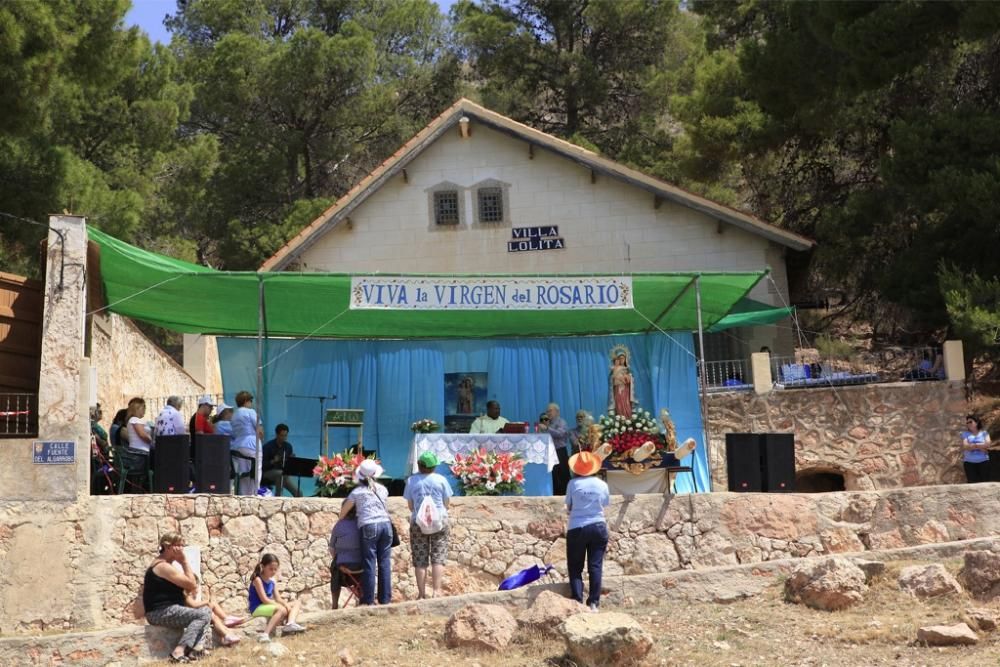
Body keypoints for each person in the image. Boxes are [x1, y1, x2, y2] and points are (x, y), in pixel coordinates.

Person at [143, 532, 213, 662]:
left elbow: (189, 586)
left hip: (170, 610)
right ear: (168, 547)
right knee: (202, 615)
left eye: (182, 545)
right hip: (159, 612)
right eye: (178, 546)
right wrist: (184, 561)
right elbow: (191, 584)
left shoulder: (168, 566)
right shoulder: (162, 566)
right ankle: (178, 651)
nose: (182, 549)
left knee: (206, 611)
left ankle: (195, 650)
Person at [341, 459, 393, 605]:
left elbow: (343, 513)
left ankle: (368, 600)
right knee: (384, 563)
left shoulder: (357, 492)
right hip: (385, 525)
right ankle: (385, 599)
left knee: (369, 562)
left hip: (369, 526)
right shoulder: (383, 490)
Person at [403, 452, 453, 599]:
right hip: (440, 521)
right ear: (434, 466)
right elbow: (447, 503)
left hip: (418, 522)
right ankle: (436, 591)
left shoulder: (411, 481)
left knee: (420, 558)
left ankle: (421, 593)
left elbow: (411, 506)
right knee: (438, 556)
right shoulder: (441, 480)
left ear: (419, 465)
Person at [565, 451, 610, 611]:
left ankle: (577, 600)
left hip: (577, 527)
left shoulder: (572, 484)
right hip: (598, 526)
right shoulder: (602, 484)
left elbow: (569, 506)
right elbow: (604, 504)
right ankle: (593, 603)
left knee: (575, 566)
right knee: (595, 566)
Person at [248, 553, 306, 642]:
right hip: (257, 607)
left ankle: (290, 623)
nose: (273, 572)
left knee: (296, 603)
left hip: (268, 605)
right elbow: (264, 600)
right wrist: (282, 607)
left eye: (275, 569)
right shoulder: (258, 580)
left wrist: (286, 604)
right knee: (281, 609)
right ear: (263, 566)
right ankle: (265, 634)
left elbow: (278, 598)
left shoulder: (272, 581)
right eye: (271, 569)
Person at [183, 581, 244, 647]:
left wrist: (209, 594)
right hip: (193, 619)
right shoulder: (187, 596)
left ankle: (227, 632)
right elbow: (194, 605)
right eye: (196, 587)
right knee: (212, 614)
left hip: (199, 616)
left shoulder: (192, 597)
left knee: (214, 616)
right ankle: (226, 623)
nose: (198, 590)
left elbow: (203, 605)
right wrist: (207, 598)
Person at [328, 500, 363, 609]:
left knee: (335, 567)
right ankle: (363, 599)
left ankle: (335, 604)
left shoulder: (339, 525)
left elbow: (331, 548)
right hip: (361, 567)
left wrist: (338, 561)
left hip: (343, 568)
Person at [231, 391, 263, 495]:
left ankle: (243, 498)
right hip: (252, 445)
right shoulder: (251, 412)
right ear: (245, 401)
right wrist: (260, 440)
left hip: (237, 447)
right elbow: (260, 430)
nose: (251, 403)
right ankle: (255, 495)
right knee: (256, 473)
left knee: (243, 475)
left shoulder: (234, 415)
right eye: (250, 400)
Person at [261, 424, 302, 497]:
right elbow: (262, 465)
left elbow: (289, 466)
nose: (284, 438)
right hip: (268, 473)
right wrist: (273, 461)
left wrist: (291, 460)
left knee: (298, 493)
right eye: (282, 435)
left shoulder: (288, 447)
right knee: (280, 474)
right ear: (276, 435)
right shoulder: (268, 447)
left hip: (284, 475)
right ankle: (278, 497)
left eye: (285, 435)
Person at [538, 403, 570, 495]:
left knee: (562, 476)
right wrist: (541, 429)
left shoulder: (561, 422)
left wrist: (547, 428)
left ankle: (565, 496)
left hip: (560, 451)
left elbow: (560, 434)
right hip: (549, 452)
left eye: (550, 411)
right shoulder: (546, 422)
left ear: (557, 411)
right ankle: (554, 494)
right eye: (547, 411)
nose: (548, 413)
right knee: (553, 476)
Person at [961, 415, 991, 483]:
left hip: (983, 461)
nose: (968, 424)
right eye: (967, 423)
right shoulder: (965, 434)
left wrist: (974, 446)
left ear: (977, 422)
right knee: (972, 483)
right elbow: (966, 446)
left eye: (970, 422)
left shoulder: (984, 433)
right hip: (969, 463)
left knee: (985, 483)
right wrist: (981, 447)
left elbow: (988, 444)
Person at [608, 347, 636, 419]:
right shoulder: (614, 368)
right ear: (617, 360)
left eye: (623, 358)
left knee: (626, 403)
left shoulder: (628, 369)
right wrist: (618, 377)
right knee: (619, 403)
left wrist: (628, 378)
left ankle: (628, 418)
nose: (621, 360)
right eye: (620, 358)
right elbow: (612, 379)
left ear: (626, 359)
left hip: (626, 389)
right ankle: (620, 418)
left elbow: (631, 379)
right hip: (617, 388)